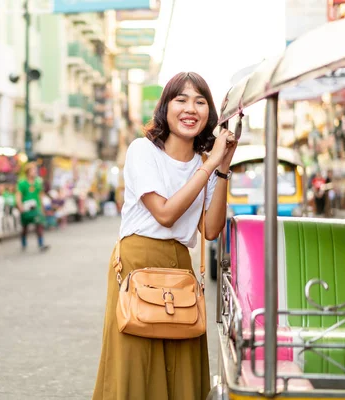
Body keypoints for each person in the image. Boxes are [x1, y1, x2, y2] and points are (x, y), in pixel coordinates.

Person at [92, 72, 237, 400]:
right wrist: (211, 163)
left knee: (180, 361)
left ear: (208, 114)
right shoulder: (142, 151)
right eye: (181, 100)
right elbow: (165, 213)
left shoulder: (206, 164)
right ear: (165, 108)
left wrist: (223, 168)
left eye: (200, 102)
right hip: (137, 264)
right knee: (134, 361)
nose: (191, 108)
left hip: (180, 268)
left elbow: (211, 230)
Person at [16, 162, 49, 251]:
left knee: (39, 225)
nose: (35, 172)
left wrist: (42, 209)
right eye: (33, 170)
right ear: (28, 172)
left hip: (36, 208)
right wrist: (20, 206)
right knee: (25, 228)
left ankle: (41, 244)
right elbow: (18, 196)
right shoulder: (22, 183)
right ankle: (23, 243)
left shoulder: (38, 182)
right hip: (26, 209)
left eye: (35, 170)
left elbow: (40, 196)